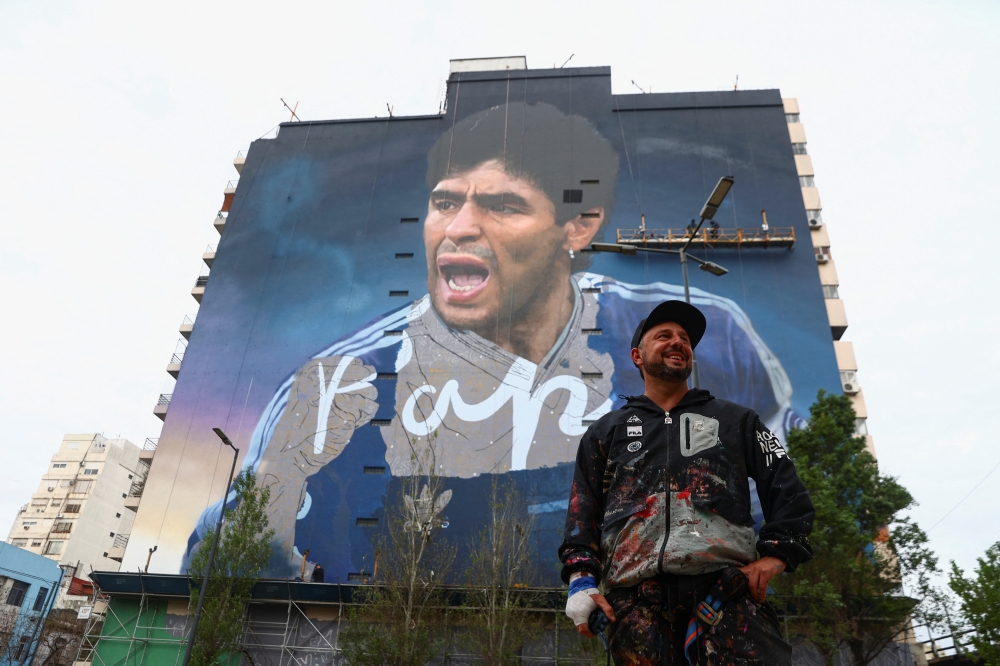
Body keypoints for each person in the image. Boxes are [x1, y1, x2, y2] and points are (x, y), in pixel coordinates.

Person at [186, 103, 803, 584]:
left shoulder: (713, 355)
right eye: (445, 202)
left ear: (577, 226)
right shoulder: (341, 383)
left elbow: (795, 487)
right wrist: (275, 481)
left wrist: (769, 559)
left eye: (504, 205)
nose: (460, 228)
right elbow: (222, 578)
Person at [559, 300, 814, 665]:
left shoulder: (737, 421)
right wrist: (581, 581)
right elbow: (582, 515)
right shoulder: (605, 432)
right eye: (664, 336)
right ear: (637, 355)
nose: (678, 342)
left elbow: (788, 488)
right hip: (636, 609)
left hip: (727, 601)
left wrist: (776, 556)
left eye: (685, 339)